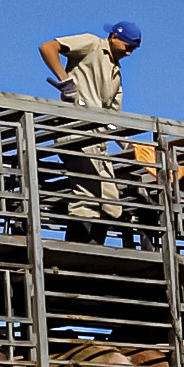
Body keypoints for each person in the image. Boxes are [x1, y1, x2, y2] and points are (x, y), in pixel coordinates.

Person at [37, 22, 149, 240]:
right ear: (114, 37)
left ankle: (94, 252)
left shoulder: (116, 74)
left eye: (132, 50)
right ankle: (78, 258)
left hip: (98, 141)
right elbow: (47, 47)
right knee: (87, 197)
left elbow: (113, 120)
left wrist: (129, 147)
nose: (128, 52)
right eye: (127, 46)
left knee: (111, 203)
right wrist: (66, 81)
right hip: (76, 132)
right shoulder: (92, 44)